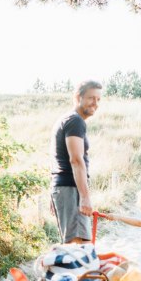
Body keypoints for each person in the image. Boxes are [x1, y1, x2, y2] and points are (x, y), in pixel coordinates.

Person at [50, 80, 102, 244]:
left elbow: (57, 159)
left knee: (78, 247)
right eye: (91, 98)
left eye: (98, 99)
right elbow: (76, 160)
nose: (95, 103)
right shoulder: (75, 121)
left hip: (65, 189)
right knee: (78, 249)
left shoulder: (67, 120)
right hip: (71, 190)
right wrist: (85, 197)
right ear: (77, 97)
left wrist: (53, 194)